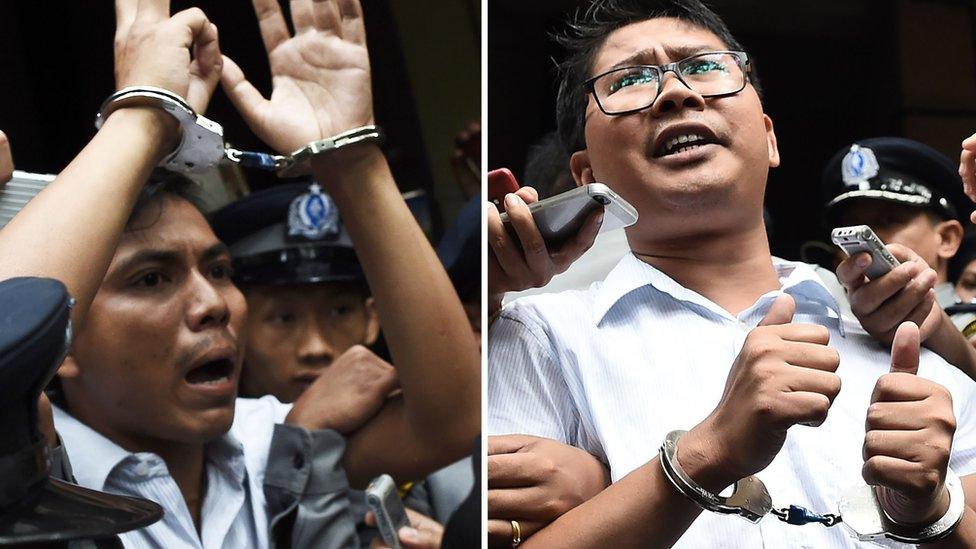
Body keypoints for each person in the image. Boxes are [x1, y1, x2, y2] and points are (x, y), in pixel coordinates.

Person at [487, 0, 976, 546]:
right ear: (586, 173)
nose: (676, 93)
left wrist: (927, 508)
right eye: (629, 79)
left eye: (703, 66)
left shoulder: (900, 327)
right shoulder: (539, 337)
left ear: (769, 138)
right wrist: (707, 453)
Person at [0, 0, 478, 547]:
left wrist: (352, 162)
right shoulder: (35, 483)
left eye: (220, 269)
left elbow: (449, 419)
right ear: (64, 346)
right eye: (151, 279)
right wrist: (144, 119)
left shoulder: (268, 440)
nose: (213, 304)